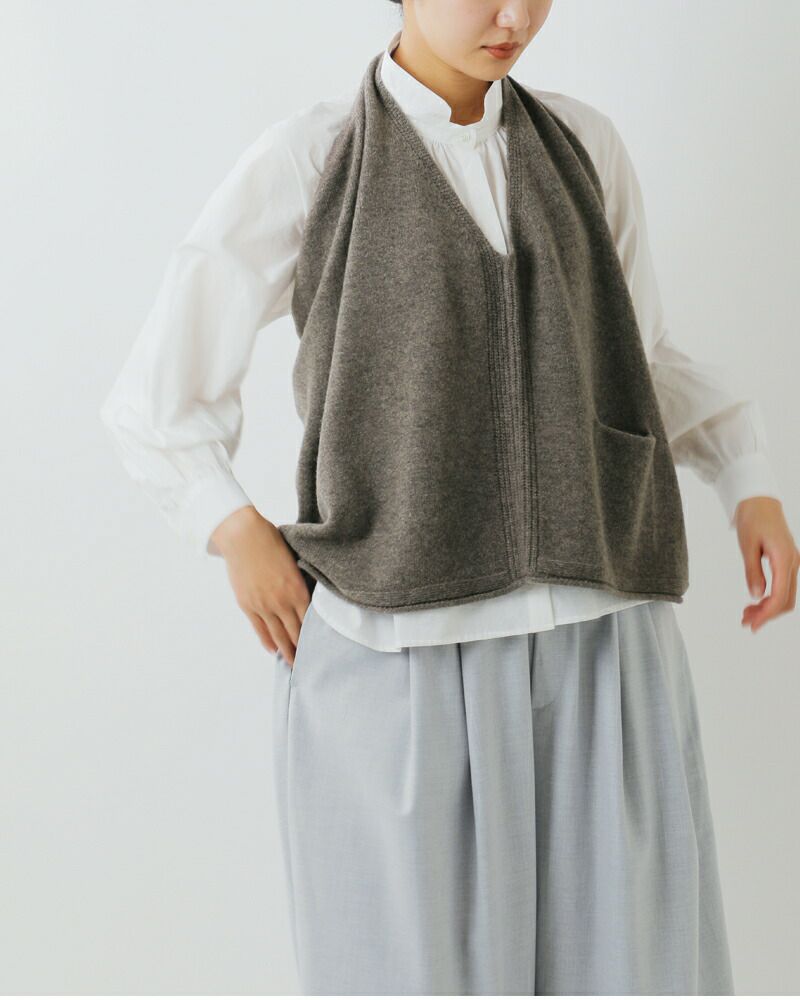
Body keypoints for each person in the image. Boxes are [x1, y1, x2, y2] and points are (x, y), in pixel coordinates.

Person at [100, 1, 799, 994]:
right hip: (397, 653)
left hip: (602, 638)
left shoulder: (585, 146)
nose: (513, 15)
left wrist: (743, 475)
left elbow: (636, 354)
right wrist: (231, 524)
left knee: (633, 968)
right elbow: (155, 397)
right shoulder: (314, 159)